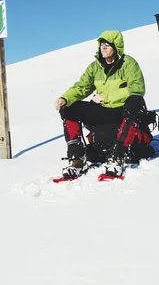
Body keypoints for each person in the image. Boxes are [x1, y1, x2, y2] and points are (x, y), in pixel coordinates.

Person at [55, 30, 150, 179]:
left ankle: (117, 156)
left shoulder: (129, 64)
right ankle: (77, 159)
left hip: (122, 111)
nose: (103, 47)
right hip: (102, 111)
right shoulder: (95, 67)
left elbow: (137, 88)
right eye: (101, 44)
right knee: (69, 108)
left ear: (116, 46)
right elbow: (82, 87)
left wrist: (105, 97)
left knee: (136, 101)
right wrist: (65, 98)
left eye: (107, 44)